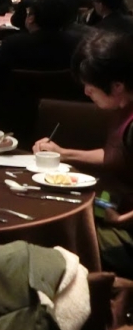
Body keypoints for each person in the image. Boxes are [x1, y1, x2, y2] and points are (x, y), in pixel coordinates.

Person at [33, 31, 133, 278]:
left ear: (117, 86)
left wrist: (120, 221)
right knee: (57, 208)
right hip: (115, 202)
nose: (86, 91)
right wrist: (62, 153)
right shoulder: (124, 106)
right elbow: (117, 155)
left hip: (127, 230)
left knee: (56, 237)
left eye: (90, 85)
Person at [0, 0, 80, 123]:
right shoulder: (75, 44)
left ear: (31, 18)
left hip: (12, 114)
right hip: (64, 114)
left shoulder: (15, 43)